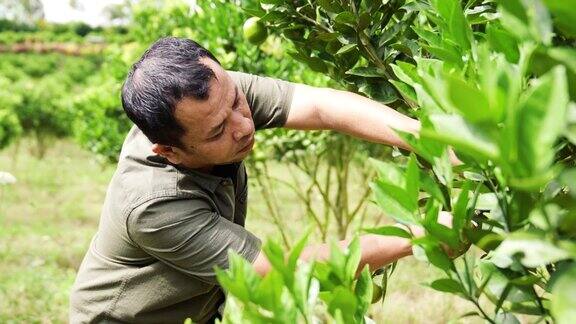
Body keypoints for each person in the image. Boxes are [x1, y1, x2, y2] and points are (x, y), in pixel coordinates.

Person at [69, 36, 452, 323]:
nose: (243, 126)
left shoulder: (211, 93)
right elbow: (288, 268)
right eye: (218, 131)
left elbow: (320, 105)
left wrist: (434, 142)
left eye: (237, 101)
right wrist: (423, 234)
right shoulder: (153, 205)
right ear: (169, 151)